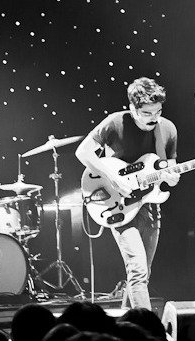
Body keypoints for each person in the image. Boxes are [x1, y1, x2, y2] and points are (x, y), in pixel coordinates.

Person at [75, 77, 179, 309]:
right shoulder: (115, 122)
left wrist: (171, 177)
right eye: (147, 113)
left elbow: (169, 167)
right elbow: (83, 152)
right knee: (138, 270)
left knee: (143, 272)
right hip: (119, 204)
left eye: (158, 111)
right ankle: (147, 326)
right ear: (133, 108)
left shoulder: (168, 129)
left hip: (150, 204)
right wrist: (113, 178)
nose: (154, 118)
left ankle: (127, 319)